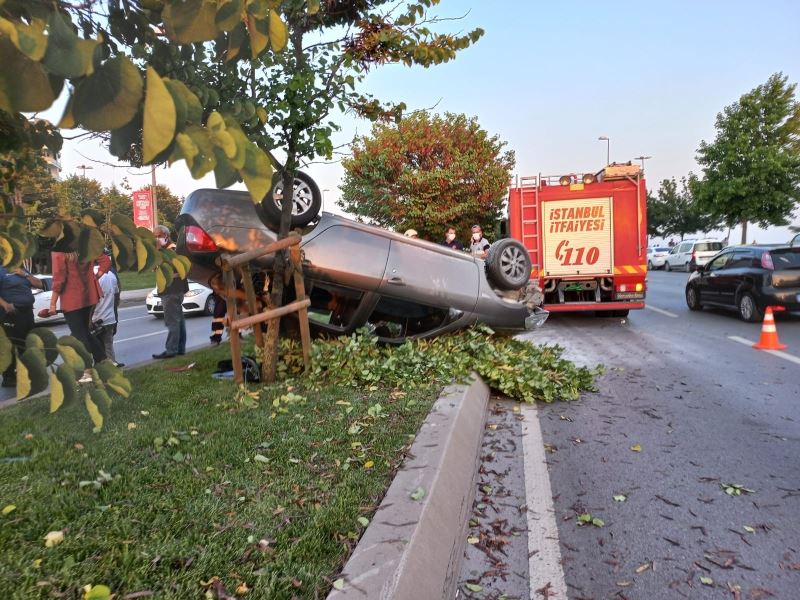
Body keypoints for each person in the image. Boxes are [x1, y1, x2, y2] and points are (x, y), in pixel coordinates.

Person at [45, 251, 108, 382]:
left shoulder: (59, 251)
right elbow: (105, 261)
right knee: (85, 333)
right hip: (88, 295)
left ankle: (88, 371)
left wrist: (52, 304)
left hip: (71, 299)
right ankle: (104, 362)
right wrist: (96, 276)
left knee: (79, 336)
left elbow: (59, 279)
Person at [0, 266, 42, 387]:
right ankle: (8, 377)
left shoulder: (22, 269)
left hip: (27, 312)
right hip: (9, 314)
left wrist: (25, 275)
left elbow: (39, 284)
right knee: (10, 345)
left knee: (27, 343)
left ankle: (27, 373)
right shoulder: (1, 270)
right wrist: (5, 305)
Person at [153, 225, 188, 359]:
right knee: (179, 320)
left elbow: (176, 271)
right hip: (175, 290)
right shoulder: (168, 250)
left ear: (166, 236)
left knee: (172, 320)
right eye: (154, 236)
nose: (156, 239)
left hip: (172, 290)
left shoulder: (171, 251)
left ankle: (171, 350)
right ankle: (179, 349)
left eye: (159, 236)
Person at [94, 268, 121, 367]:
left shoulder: (92, 274)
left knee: (96, 346)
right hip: (110, 317)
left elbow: (92, 299)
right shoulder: (111, 275)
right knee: (108, 344)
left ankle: (100, 367)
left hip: (96, 317)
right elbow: (116, 295)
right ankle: (113, 364)